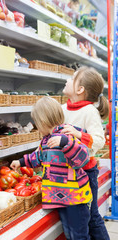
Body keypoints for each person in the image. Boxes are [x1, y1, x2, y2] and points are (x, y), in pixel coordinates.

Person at [11, 96, 92, 240]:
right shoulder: (46, 141)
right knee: (69, 233)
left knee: (79, 235)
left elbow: (83, 158)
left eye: (36, 123)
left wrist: (66, 143)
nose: (37, 127)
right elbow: (38, 157)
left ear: (42, 121)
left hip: (75, 199)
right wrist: (20, 161)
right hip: (60, 198)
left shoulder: (67, 134)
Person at [48, 67, 110, 240]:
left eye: (72, 78)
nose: (67, 80)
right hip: (64, 173)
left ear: (80, 89)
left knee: (91, 218)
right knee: (80, 219)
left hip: (85, 173)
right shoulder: (61, 108)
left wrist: (78, 134)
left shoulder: (89, 112)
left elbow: (99, 141)